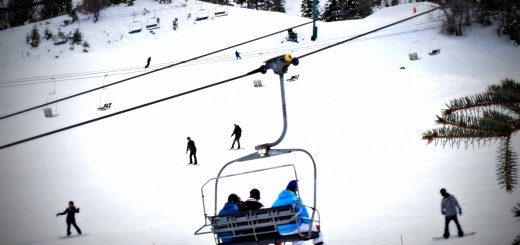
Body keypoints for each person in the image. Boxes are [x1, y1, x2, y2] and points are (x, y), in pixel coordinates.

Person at [272, 180, 324, 245]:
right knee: (316, 229)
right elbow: (305, 216)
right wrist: (309, 224)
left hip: (281, 231)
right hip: (295, 228)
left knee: (298, 235)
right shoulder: (295, 199)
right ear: (295, 190)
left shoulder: (275, 202)